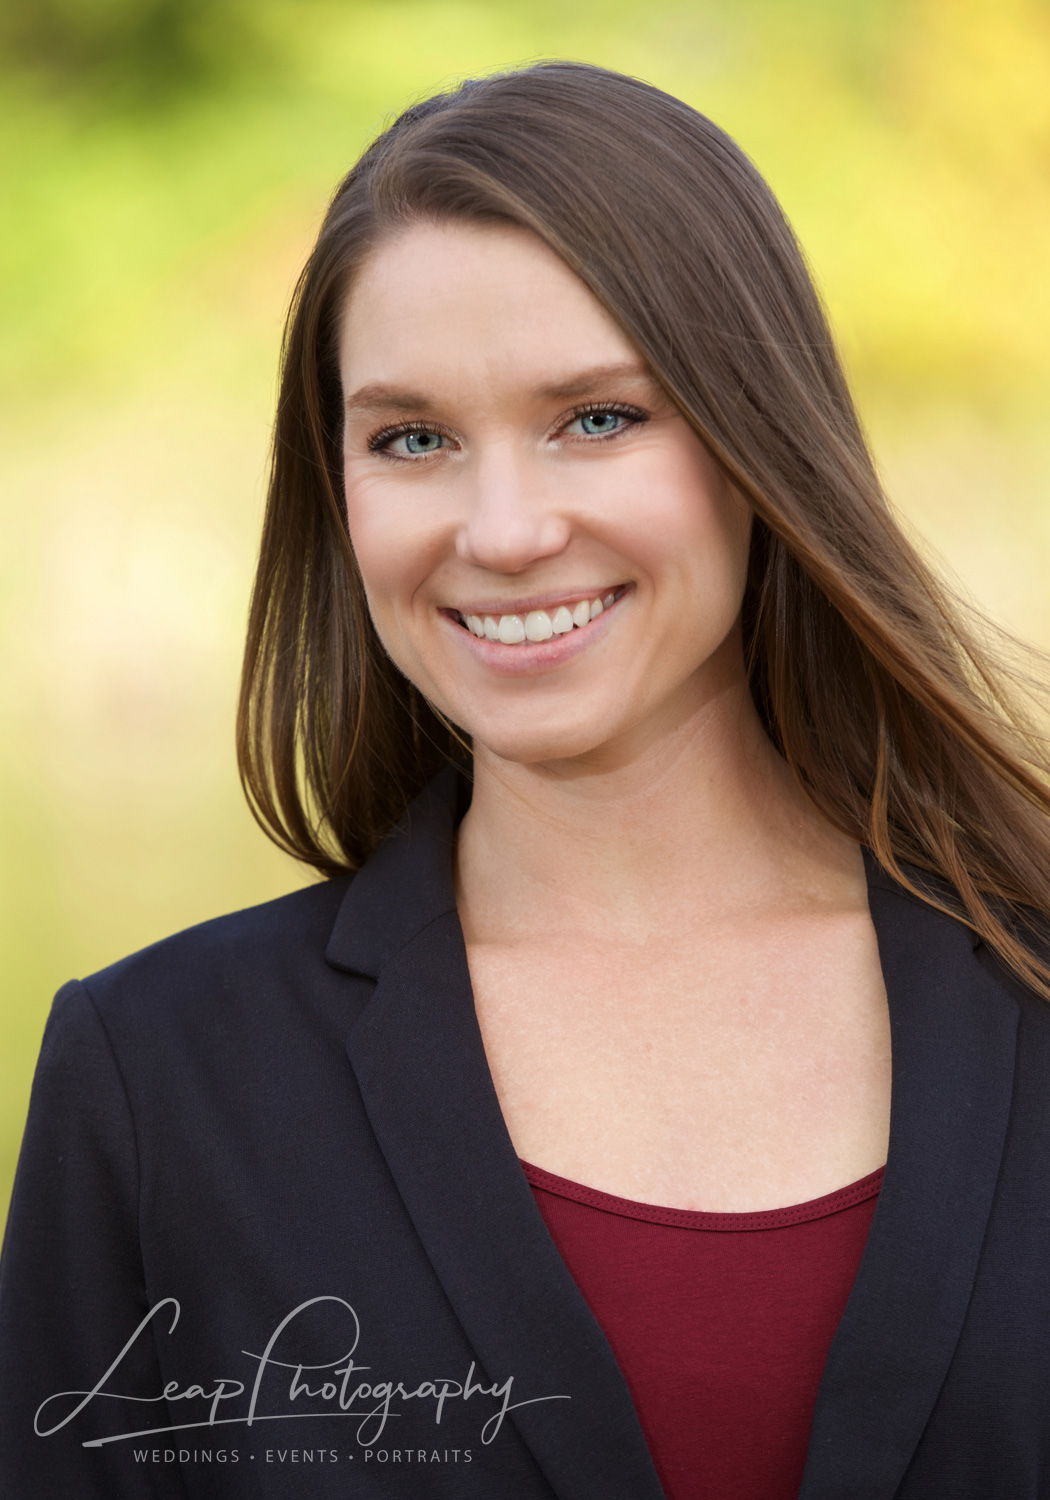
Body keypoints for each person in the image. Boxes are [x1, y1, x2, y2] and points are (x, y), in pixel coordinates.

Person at [2, 60, 1050, 1500]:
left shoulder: (1031, 979)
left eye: (596, 418)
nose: (500, 530)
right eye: (412, 439)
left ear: (757, 443)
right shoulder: (159, 1079)